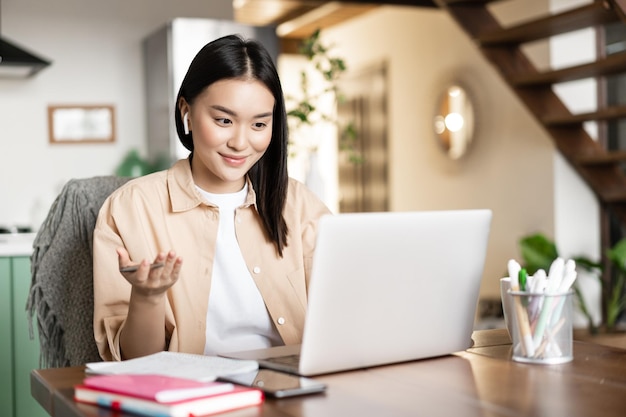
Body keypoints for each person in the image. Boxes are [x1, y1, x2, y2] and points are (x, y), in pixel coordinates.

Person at [93, 34, 331, 362]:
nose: (240, 142)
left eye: (259, 124)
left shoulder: (301, 205)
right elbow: (135, 363)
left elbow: (344, 314)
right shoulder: (131, 209)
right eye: (224, 120)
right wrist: (148, 297)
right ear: (186, 112)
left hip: (293, 389)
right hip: (193, 396)